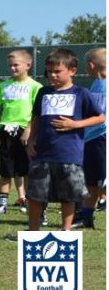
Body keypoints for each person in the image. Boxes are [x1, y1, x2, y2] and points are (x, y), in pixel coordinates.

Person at [25, 49, 104, 231]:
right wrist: (31, 139)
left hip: (69, 155)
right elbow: (37, 117)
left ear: (72, 71)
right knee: (35, 195)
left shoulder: (81, 93)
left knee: (68, 196)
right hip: (42, 154)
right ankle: (33, 231)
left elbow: (100, 117)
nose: (52, 75)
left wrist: (75, 124)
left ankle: (66, 231)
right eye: (49, 71)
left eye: (57, 71)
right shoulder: (43, 92)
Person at [0, 50, 42, 217]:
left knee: (26, 170)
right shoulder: (2, 86)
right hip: (5, 130)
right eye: (10, 65)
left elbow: (37, 113)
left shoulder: (35, 87)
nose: (12, 68)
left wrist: (28, 130)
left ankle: (28, 201)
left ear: (28, 65)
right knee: (5, 169)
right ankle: (2, 203)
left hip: (24, 132)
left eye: (16, 65)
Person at [73, 47, 106, 229]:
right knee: (92, 181)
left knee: (100, 179)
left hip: (100, 139)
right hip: (93, 140)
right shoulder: (97, 84)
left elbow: (100, 116)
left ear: (91, 65)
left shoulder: (102, 86)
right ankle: (86, 217)